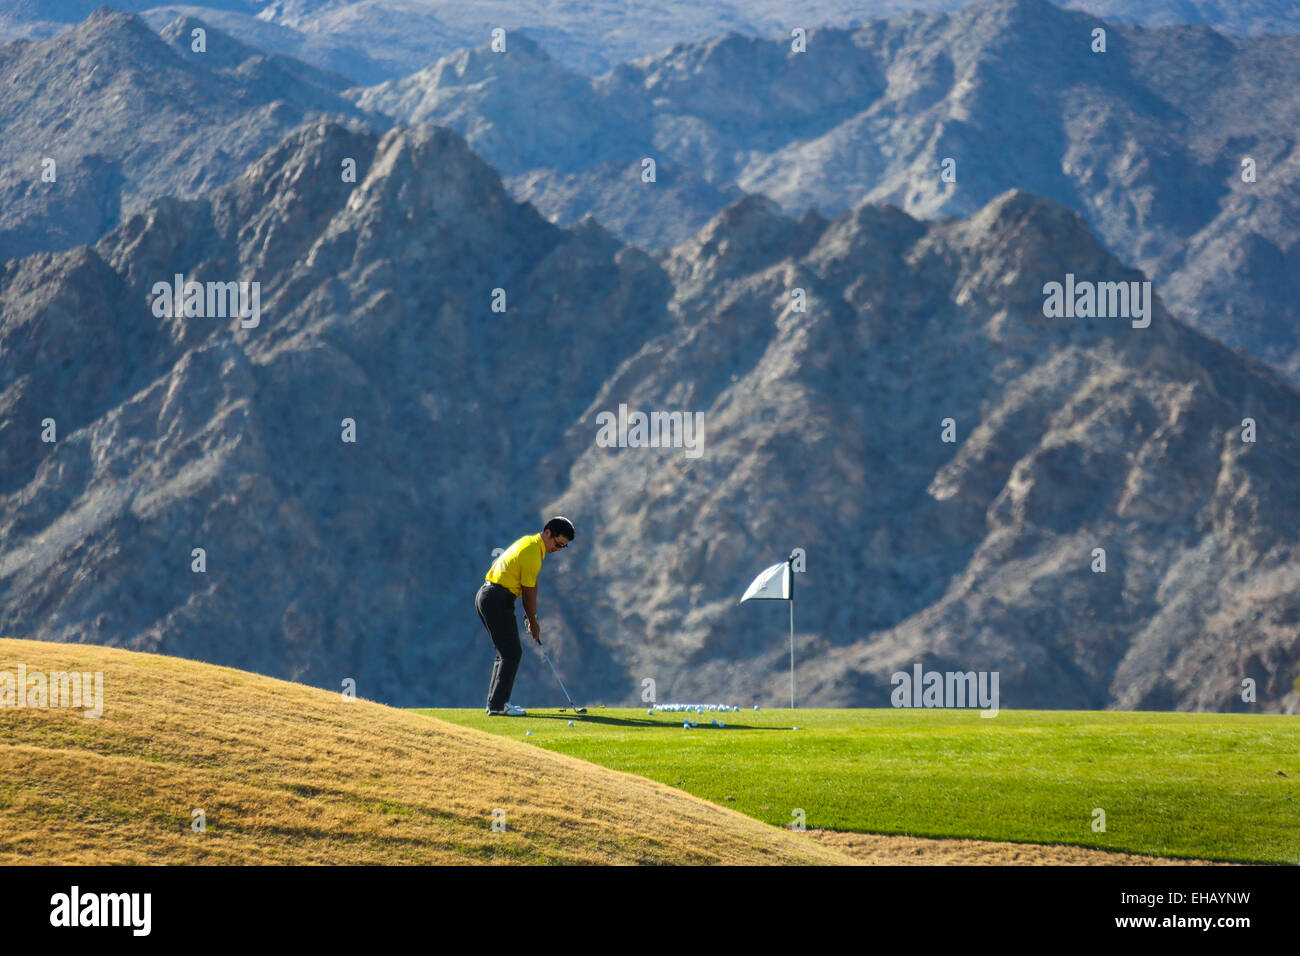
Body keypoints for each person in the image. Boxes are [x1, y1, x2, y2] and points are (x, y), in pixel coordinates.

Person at [476, 516, 574, 715]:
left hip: (489, 597)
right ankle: (499, 705)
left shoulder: (532, 545)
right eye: (557, 543)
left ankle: (496, 704)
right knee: (512, 653)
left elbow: (532, 584)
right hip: (496, 599)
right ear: (547, 533)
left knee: (506, 652)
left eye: (563, 547)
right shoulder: (531, 552)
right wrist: (533, 621)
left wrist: (532, 619)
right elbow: (528, 594)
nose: (558, 549)